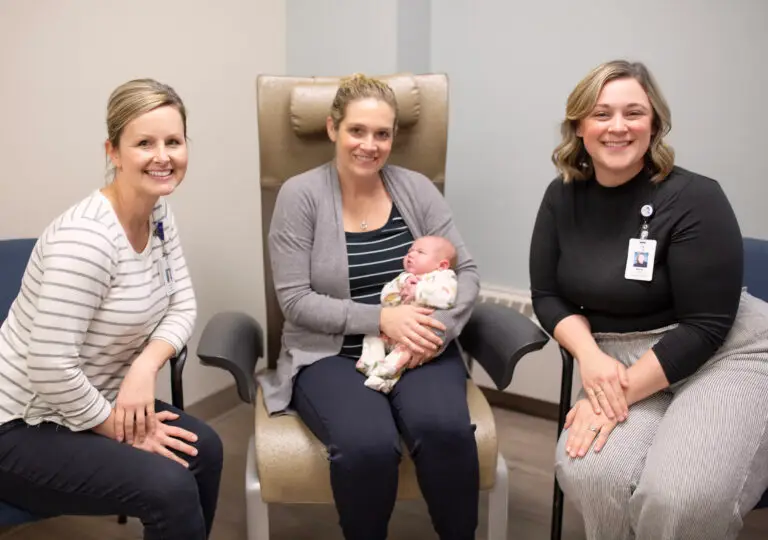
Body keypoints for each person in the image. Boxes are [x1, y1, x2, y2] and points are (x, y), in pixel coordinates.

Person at [529, 59, 768, 540]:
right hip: (619, 356)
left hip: (725, 353)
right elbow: (547, 295)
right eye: (601, 113)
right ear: (579, 125)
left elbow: (704, 326)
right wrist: (590, 355)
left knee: (681, 496)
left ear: (654, 123)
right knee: (592, 474)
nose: (617, 126)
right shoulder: (562, 197)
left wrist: (611, 398)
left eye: (633, 113)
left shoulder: (696, 196)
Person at [258, 73, 480, 540]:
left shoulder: (416, 189)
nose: (370, 144)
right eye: (357, 130)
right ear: (332, 128)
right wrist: (381, 318)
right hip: (329, 353)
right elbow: (295, 301)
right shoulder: (300, 195)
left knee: (444, 431)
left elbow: (468, 272)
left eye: (382, 133)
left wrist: (433, 331)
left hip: (419, 345)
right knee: (368, 446)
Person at [0, 79, 223, 540]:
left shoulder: (157, 213)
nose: (162, 156)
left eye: (173, 142)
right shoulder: (85, 240)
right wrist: (119, 430)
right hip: (21, 425)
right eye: (144, 143)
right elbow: (49, 366)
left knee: (207, 449)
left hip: (90, 403)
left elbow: (182, 303)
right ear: (114, 152)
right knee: (169, 486)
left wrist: (145, 365)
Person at [356, 235, 459, 393]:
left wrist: (417, 291)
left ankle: (385, 375)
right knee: (373, 335)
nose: (410, 254)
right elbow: (385, 298)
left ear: (442, 264)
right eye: (410, 251)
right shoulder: (404, 278)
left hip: (418, 332)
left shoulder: (443, 277)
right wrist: (399, 288)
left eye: (420, 252)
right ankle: (370, 363)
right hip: (393, 329)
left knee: (405, 351)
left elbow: (446, 298)